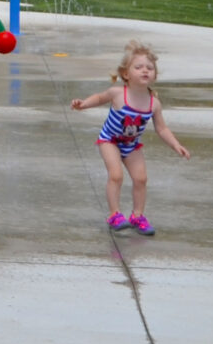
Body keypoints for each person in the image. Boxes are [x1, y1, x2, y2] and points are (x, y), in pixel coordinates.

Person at [70, 40, 187, 235]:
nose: (145, 71)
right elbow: (99, 98)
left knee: (141, 179)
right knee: (116, 175)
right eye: (138, 67)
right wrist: (83, 104)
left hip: (131, 145)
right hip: (110, 141)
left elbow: (162, 129)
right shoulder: (118, 94)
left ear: (154, 75)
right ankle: (114, 214)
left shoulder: (153, 103)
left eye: (150, 68)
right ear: (126, 73)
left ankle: (137, 216)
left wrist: (176, 145)